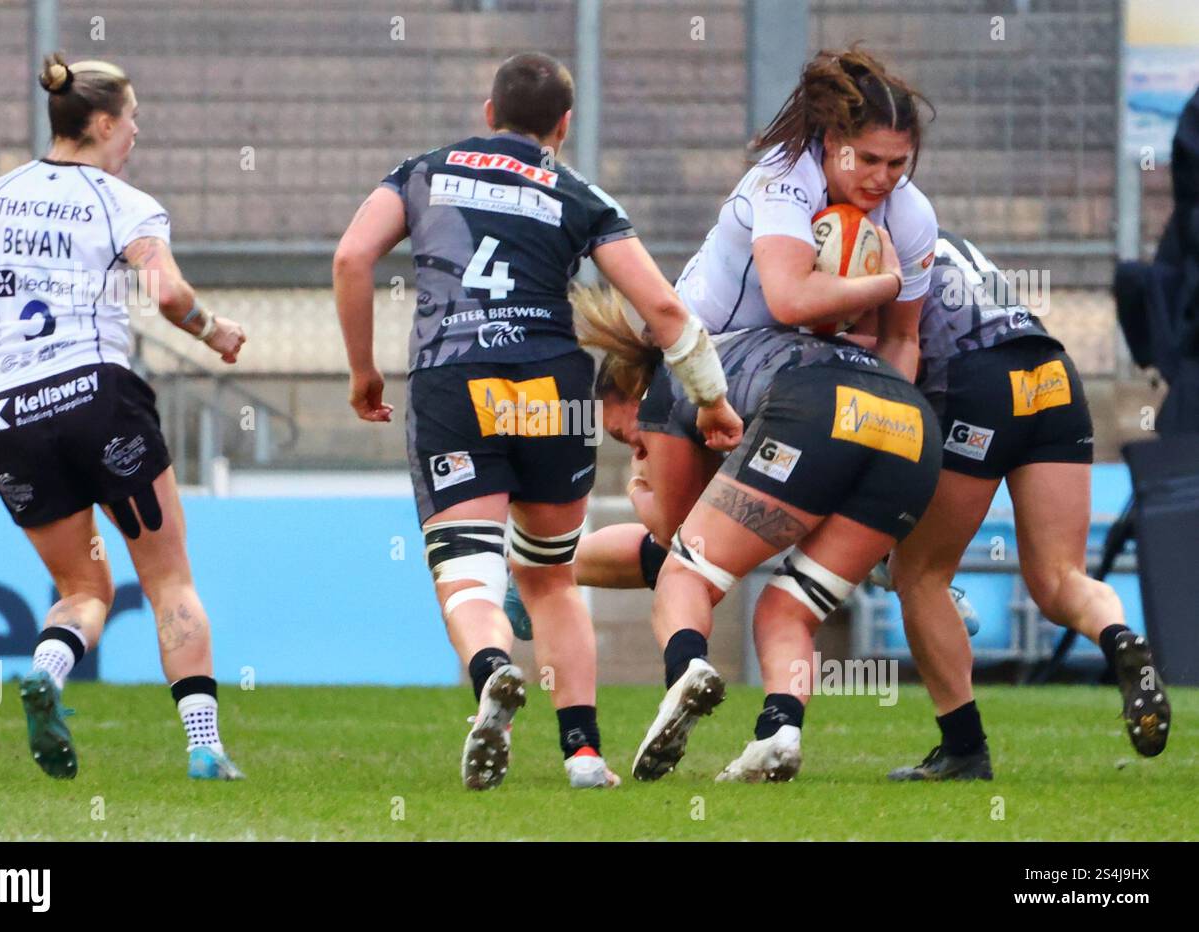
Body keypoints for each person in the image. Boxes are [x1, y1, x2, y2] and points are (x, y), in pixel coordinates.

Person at [333, 51, 742, 790]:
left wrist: (363, 370)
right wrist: (710, 398)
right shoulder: (579, 193)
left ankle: (493, 671)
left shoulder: (423, 171)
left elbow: (352, 256)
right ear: (563, 125)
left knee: (469, 574)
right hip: (553, 388)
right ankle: (584, 754)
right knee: (549, 578)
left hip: (454, 380)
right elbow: (666, 310)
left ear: (488, 113)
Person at [0, 55, 248, 780]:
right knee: (167, 579)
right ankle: (202, 746)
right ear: (102, 123)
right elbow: (167, 295)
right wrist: (213, 329)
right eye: (131, 119)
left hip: (11, 410)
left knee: (83, 589)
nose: (136, 132)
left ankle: (46, 673)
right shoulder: (120, 201)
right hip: (98, 396)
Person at [628, 46, 944, 784]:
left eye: (898, 165)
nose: (882, 180)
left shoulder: (909, 215)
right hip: (700, 371)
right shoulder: (782, 178)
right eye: (868, 159)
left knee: (686, 568)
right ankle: (779, 731)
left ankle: (693, 674)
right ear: (831, 145)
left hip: (803, 393)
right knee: (725, 570)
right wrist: (889, 280)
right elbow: (792, 298)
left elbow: (901, 342)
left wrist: (879, 419)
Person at [886, 231, 1172, 780]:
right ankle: (1119, 637)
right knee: (1060, 578)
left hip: (982, 383)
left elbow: (887, 355)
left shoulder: (868, 240)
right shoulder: (940, 237)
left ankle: (964, 749)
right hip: (1053, 373)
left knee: (919, 573)